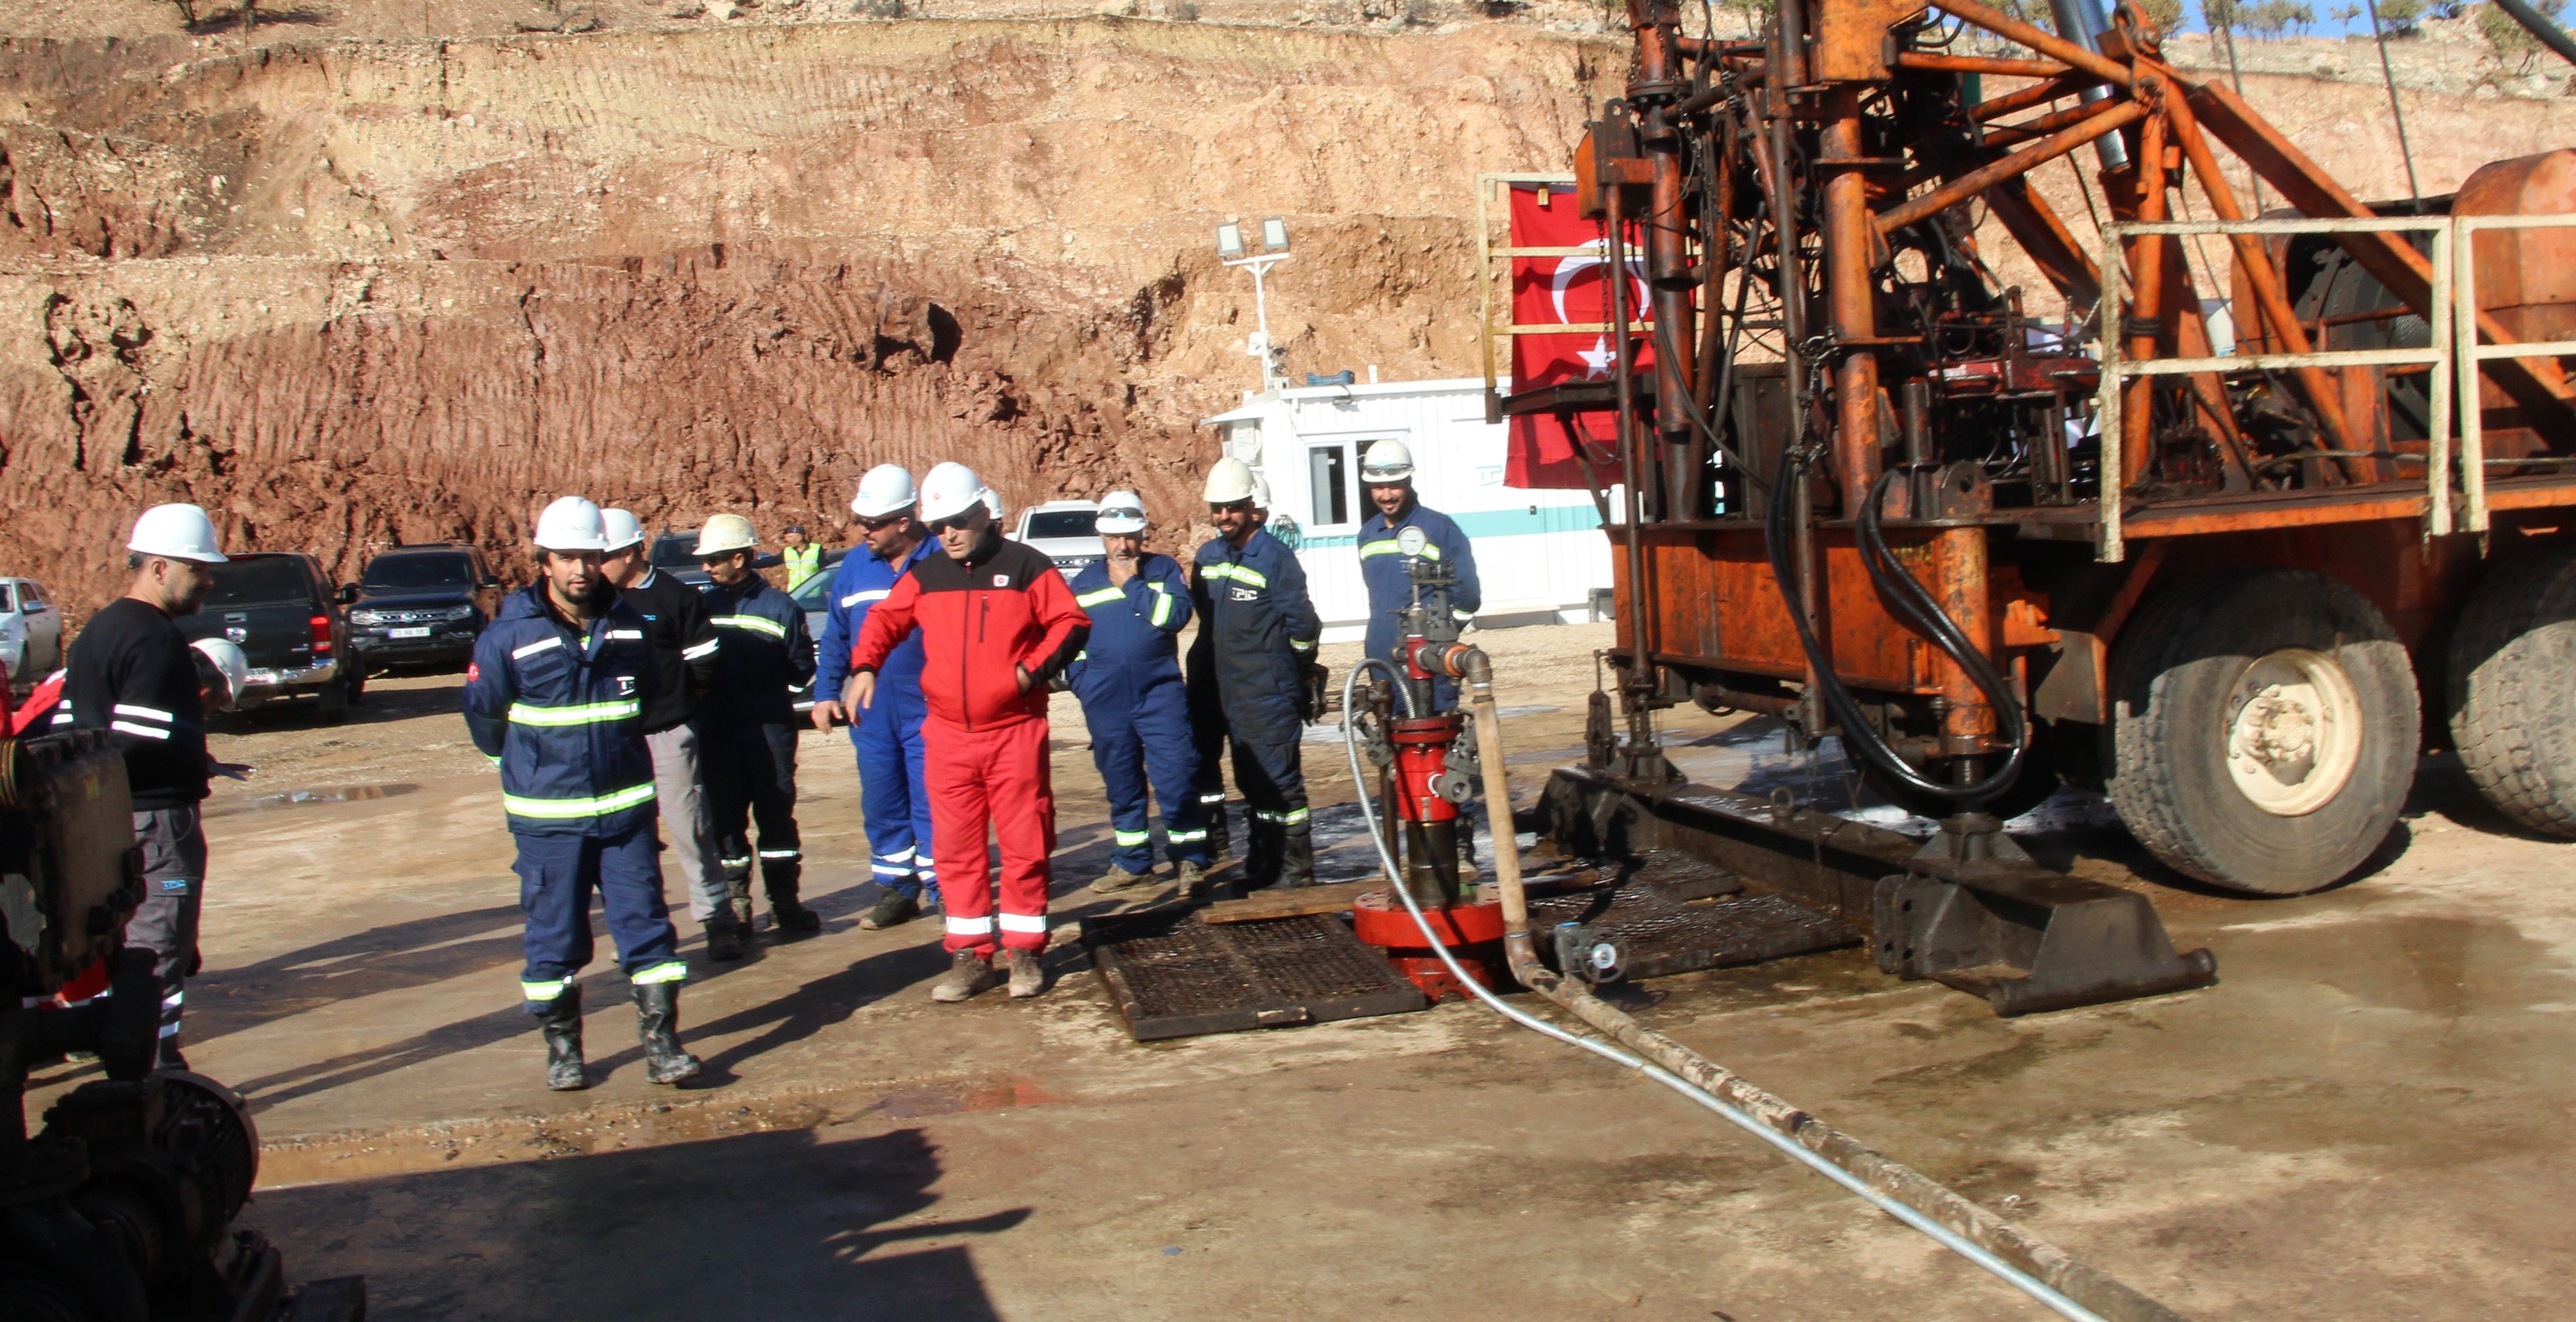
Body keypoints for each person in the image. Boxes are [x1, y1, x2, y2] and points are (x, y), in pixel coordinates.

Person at [463, 497, 698, 1091]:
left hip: (625, 818)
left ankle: (663, 1044)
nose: (580, 570)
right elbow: (485, 719)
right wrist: (526, 769)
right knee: (554, 939)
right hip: (550, 825)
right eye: (567, 558)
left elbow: (643, 701)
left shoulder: (630, 629)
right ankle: (564, 1050)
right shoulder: (506, 638)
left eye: (590, 558)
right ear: (543, 561)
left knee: (647, 928)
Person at [848, 463, 1088, 1003]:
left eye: (957, 521)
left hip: (1014, 731)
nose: (948, 534)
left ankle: (1024, 951)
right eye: (937, 526)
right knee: (955, 850)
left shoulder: (1028, 566)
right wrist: (865, 665)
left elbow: (1070, 622)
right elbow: (886, 619)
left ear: (983, 512)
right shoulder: (928, 574)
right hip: (949, 736)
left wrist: (1026, 673)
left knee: (1026, 844)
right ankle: (970, 956)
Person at [62, 503, 232, 1069]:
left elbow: (90, 736)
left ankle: (140, 1056)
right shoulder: (155, 641)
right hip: (158, 830)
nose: (207, 580)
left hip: (111, 824)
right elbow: (133, 744)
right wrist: (180, 764)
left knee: (131, 943)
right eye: (197, 568)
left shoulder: (100, 630)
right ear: (159, 568)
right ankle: (153, 1067)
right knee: (161, 944)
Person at [600, 509, 736, 958]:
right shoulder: (599, 604)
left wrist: (681, 704)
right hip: (616, 740)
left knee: (690, 828)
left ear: (630, 552)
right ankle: (642, 931)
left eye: (604, 558)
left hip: (666, 732)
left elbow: (705, 661)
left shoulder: (673, 598)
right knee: (627, 841)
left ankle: (717, 916)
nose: (595, 568)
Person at [812, 465, 942, 931]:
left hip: (930, 706)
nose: (863, 530)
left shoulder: (941, 559)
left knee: (935, 801)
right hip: (871, 711)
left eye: (873, 523)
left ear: (904, 522)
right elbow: (836, 636)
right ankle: (896, 891)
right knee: (883, 801)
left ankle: (945, 889)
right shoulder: (853, 566)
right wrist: (826, 692)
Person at [1066, 491, 1209, 896]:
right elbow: (1072, 642)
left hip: (1159, 695)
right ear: (1101, 537)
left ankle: (1189, 860)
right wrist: (1083, 683)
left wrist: (1131, 584)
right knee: (1121, 782)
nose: (1122, 545)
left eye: (1130, 535)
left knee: (1177, 776)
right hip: (1106, 702)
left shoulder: (1162, 570)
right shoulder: (1084, 582)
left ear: (1142, 533)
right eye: (1114, 537)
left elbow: (1175, 617)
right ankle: (1133, 862)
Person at [1191, 458, 1323, 895]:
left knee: (1282, 787)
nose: (1223, 516)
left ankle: (1297, 870)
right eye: (1217, 508)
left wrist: (1299, 673)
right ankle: (1265, 863)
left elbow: (1303, 626)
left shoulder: (1274, 558)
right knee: (1251, 783)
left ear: (1252, 508)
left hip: (1267, 692)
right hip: (1227, 693)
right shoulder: (1209, 558)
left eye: (1232, 507)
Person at [694, 513, 821, 942]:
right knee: (725, 821)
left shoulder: (781, 608)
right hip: (717, 734)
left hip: (768, 735)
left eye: (714, 559)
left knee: (775, 818)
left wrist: (761, 689)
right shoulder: (702, 608)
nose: (706, 568)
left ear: (739, 557)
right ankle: (737, 905)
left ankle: (784, 903)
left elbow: (801, 672)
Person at [1355, 438, 1482, 708]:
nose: (1386, 495)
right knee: (1389, 736)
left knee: (1436, 731)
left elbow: (1469, 594)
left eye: (1395, 486)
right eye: (1378, 487)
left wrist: (1446, 630)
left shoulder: (1440, 529)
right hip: (1381, 652)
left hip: (1429, 653)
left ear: (1409, 482)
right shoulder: (1367, 535)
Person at [780, 525, 823, 591]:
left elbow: (825, 571)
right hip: (795, 595)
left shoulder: (816, 550)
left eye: (790, 537)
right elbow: (771, 561)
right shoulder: (788, 552)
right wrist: (757, 564)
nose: (787, 540)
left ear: (800, 538)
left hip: (813, 594)